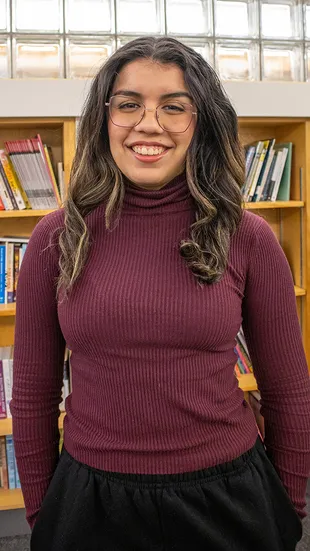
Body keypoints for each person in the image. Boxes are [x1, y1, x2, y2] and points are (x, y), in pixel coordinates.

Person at [11, 36, 310, 551]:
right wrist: (44, 511)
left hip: (230, 495)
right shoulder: (55, 238)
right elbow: (33, 396)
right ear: (104, 118)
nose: (149, 124)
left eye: (174, 106)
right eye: (128, 104)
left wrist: (287, 508)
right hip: (90, 498)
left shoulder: (248, 237)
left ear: (202, 122)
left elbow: (289, 392)